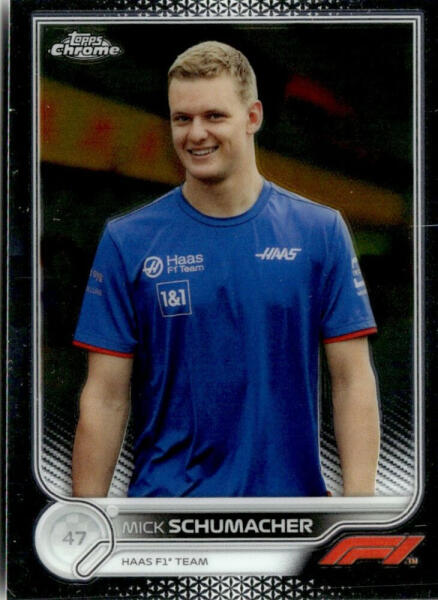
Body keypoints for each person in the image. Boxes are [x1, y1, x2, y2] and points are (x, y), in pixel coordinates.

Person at [72, 41, 380, 498]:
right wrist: (87, 522)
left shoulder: (321, 232)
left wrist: (358, 513)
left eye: (214, 116)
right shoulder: (127, 241)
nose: (196, 134)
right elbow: (104, 397)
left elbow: (352, 380)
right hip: (166, 514)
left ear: (253, 117)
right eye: (182, 118)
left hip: (290, 515)